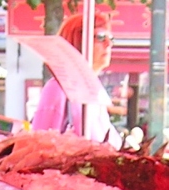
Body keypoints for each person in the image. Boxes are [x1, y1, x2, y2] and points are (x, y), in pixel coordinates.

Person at [30, 11, 120, 144]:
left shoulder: (96, 96)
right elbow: (39, 145)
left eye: (111, 38)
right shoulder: (58, 89)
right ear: (78, 41)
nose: (108, 44)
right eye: (100, 37)